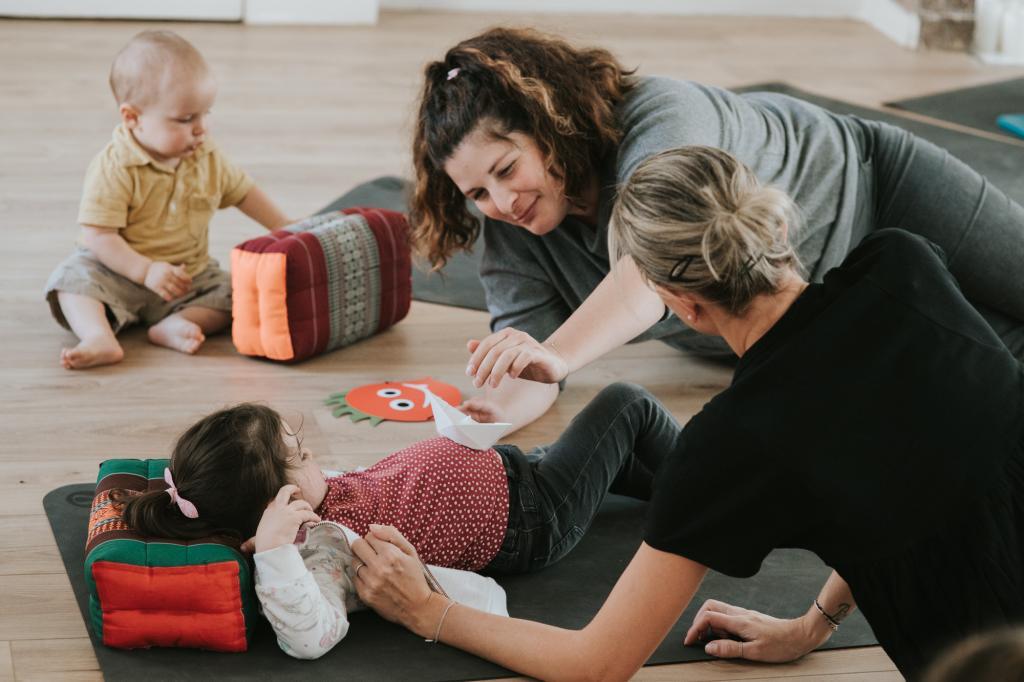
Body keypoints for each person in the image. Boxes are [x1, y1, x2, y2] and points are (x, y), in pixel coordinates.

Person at [352, 147, 1024, 680]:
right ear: (776, 226)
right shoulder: (904, 265)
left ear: (683, 305)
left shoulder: (735, 443)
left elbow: (595, 665)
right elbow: (919, 475)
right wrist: (812, 624)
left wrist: (430, 610)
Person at [409, 27, 1024, 432]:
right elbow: (536, 368)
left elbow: (651, 267)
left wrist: (557, 350)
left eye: (507, 169)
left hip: (877, 190)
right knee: (999, 374)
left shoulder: (664, 115)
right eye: (476, 193)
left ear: (547, 124)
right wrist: (491, 414)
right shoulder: (517, 228)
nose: (502, 201)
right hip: (823, 308)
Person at [119, 382, 680, 657]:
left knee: (628, 461)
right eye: (302, 454)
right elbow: (309, 637)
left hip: (515, 469)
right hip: (534, 516)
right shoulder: (315, 550)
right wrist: (273, 552)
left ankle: (695, 488)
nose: (313, 455)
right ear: (277, 501)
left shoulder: (308, 502)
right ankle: (719, 491)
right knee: (627, 406)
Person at [45, 30, 291, 370]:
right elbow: (98, 236)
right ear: (132, 118)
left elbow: (243, 192)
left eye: (206, 113)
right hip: (118, 272)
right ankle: (98, 335)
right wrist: (144, 271)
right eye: (186, 119)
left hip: (187, 276)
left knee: (242, 293)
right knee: (70, 281)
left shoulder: (206, 155)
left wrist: (287, 227)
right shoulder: (115, 166)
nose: (201, 128)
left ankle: (178, 322)